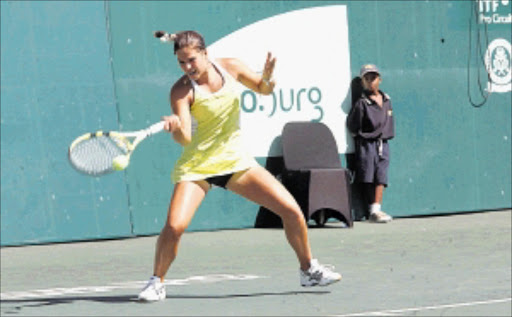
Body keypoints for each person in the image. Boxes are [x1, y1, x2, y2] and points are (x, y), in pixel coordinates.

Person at [137, 30, 342, 302]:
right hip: (198, 167)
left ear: (206, 53)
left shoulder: (231, 67)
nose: (188, 68)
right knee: (174, 227)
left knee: (292, 211)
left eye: (192, 60)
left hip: (236, 162)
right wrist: (175, 126)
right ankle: (156, 282)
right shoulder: (181, 90)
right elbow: (185, 137)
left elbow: (264, 90)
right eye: (181, 63)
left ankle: (308, 270)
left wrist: (267, 77)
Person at [346, 64, 394, 224]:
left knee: (381, 176)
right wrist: (363, 137)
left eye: (373, 78)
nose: (370, 81)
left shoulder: (387, 100)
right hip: (366, 145)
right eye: (366, 79)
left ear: (379, 79)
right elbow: (352, 125)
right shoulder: (361, 103)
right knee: (368, 176)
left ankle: (376, 209)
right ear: (362, 83)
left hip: (383, 144)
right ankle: (372, 211)